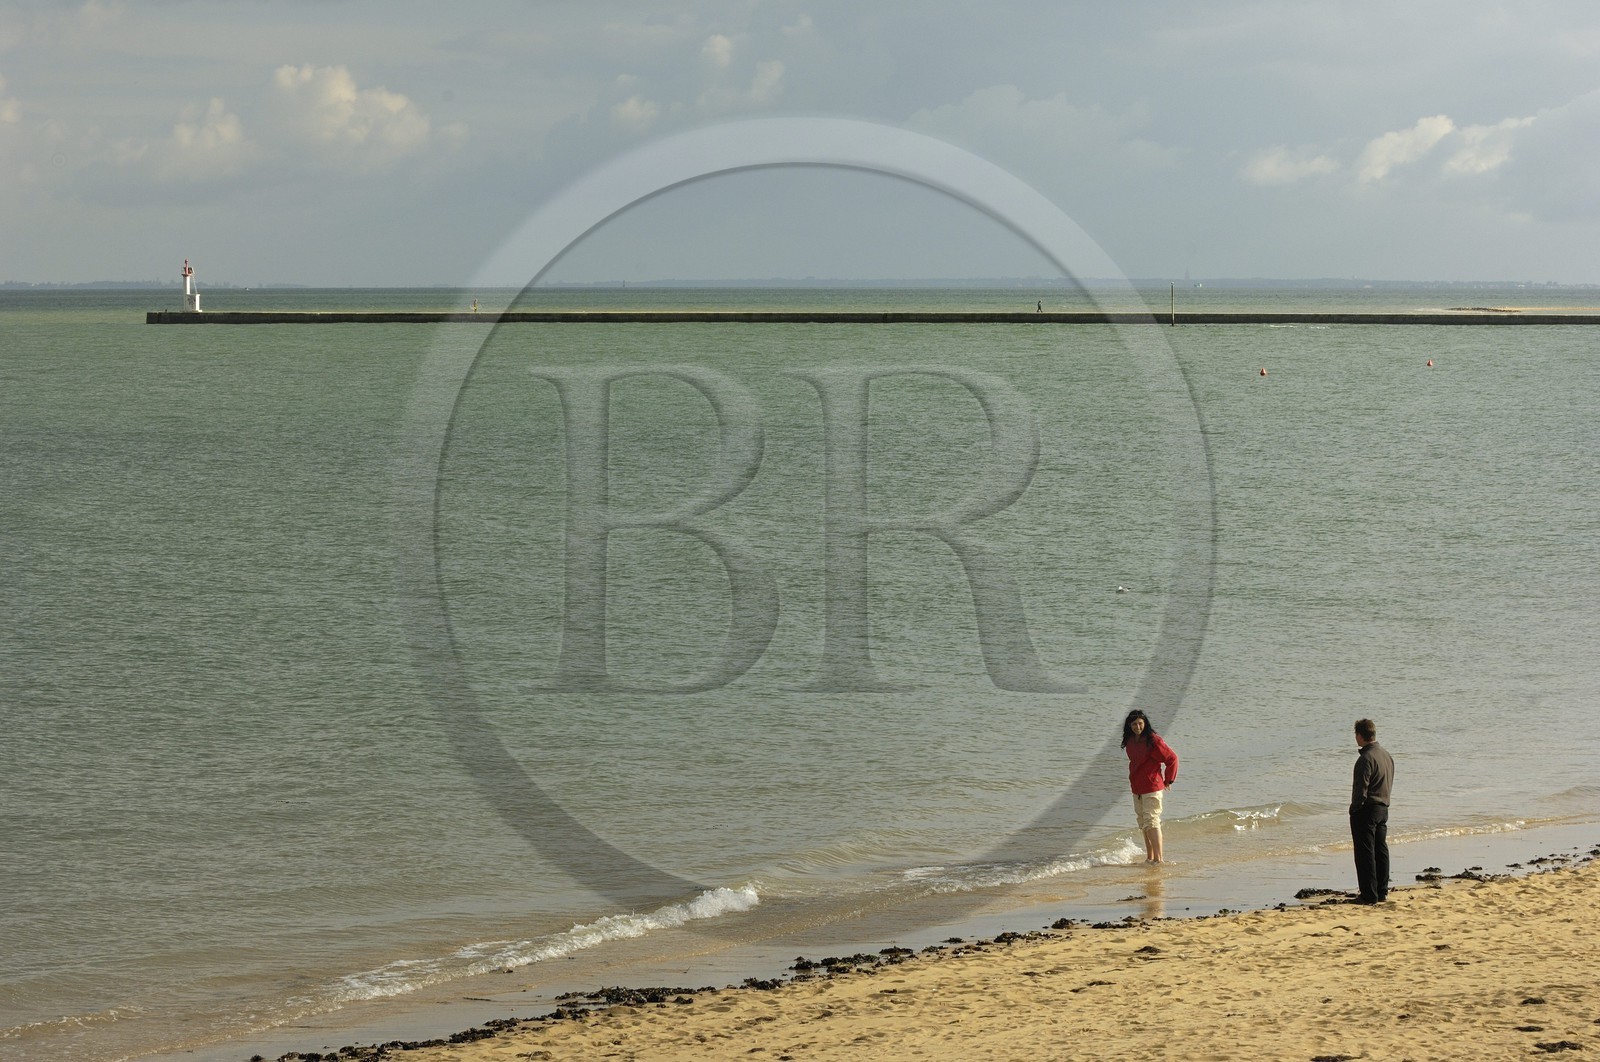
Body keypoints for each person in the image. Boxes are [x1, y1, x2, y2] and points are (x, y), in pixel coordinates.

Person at [1121, 709, 1178, 863]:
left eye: (1140, 723)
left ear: (1145, 723)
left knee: (1152, 821)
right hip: (1137, 788)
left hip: (1153, 787)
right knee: (1143, 823)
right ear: (1129, 725)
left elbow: (1172, 758)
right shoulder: (1130, 740)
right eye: (1134, 724)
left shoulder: (1153, 740)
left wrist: (1168, 780)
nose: (1137, 727)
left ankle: (1159, 859)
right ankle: (1150, 857)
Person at [1350, 718, 1394, 904]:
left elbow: (1361, 788)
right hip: (1383, 807)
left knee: (1365, 853)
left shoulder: (1365, 758)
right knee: (1380, 849)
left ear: (1359, 736)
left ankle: (1368, 894)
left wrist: (1354, 808)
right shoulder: (1386, 755)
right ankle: (1381, 891)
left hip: (1367, 809)